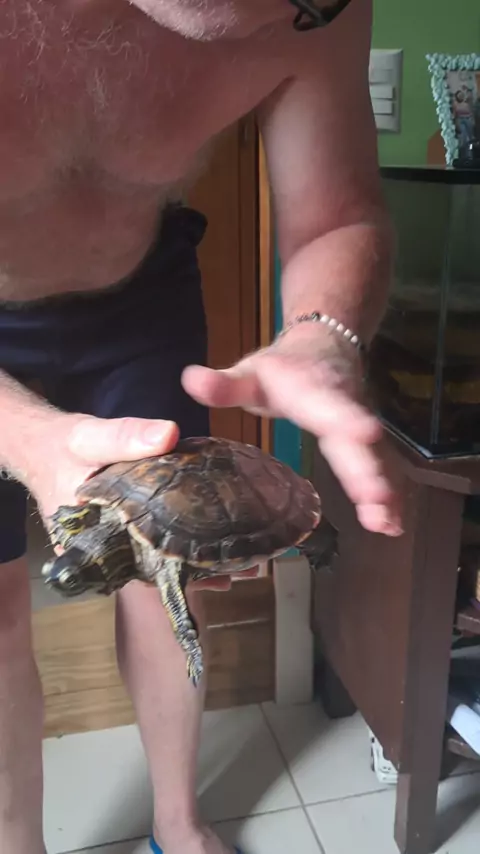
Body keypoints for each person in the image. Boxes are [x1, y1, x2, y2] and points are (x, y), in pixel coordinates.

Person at [0, 1, 402, 853]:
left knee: (166, 586)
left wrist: (323, 336)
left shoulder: (318, 8)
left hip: (143, 302)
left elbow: (338, 219)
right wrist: (23, 435)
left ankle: (178, 820)